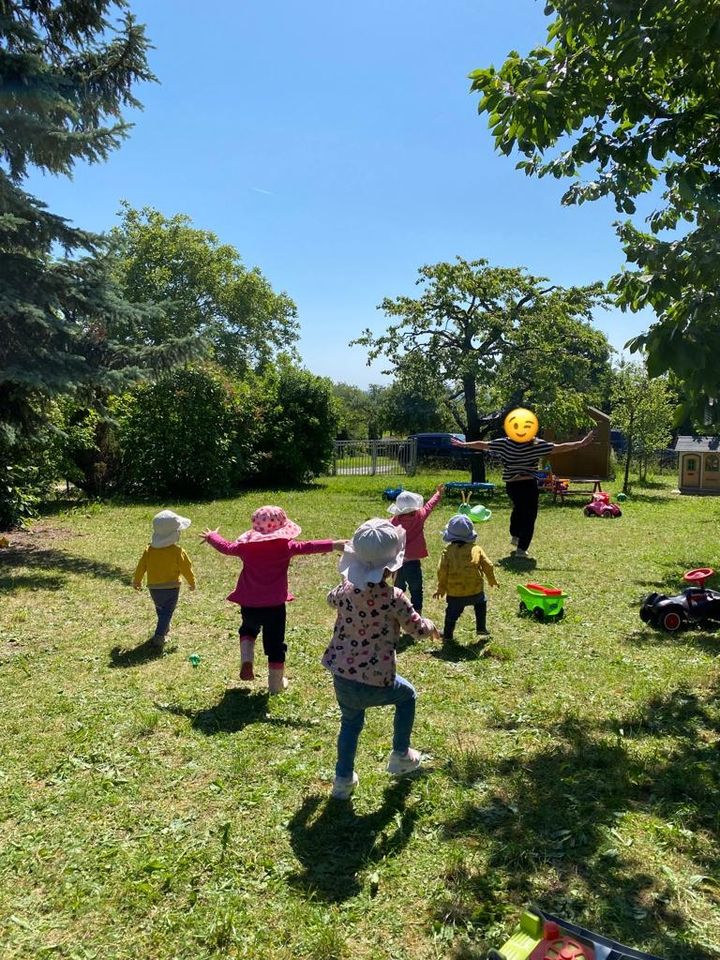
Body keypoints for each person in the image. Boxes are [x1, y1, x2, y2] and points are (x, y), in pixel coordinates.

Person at [323, 518, 440, 800]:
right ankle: (401, 754)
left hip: (342, 676)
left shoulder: (345, 591)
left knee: (350, 723)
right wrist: (431, 626)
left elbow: (330, 599)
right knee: (407, 696)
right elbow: (416, 628)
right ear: (392, 566)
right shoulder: (394, 597)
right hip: (377, 679)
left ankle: (342, 780)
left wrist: (346, 581)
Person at [200, 506, 345, 694]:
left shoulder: (246, 547)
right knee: (275, 644)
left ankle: (247, 660)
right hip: (274, 605)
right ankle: (275, 685)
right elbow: (308, 546)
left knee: (248, 629)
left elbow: (226, 547)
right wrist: (334, 544)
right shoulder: (286, 547)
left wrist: (212, 536)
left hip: (249, 603)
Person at [451, 425, 595, 559]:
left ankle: (516, 536)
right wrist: (580, 443)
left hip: (513, 486)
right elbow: (559, 448)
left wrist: (465, 444)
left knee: (519, 509)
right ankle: (521, 548)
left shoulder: (506, 443)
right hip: (527, 484)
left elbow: (484, 445)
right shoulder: (534, 444)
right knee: (529, 515)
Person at [133, 510, 196, 653]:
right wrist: (192, 582)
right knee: (167, 611)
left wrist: (137, 580)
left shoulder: (149, 550)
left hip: (154, 587)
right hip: (171, 587)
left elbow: (141, 566)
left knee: (161, 609)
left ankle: (165, 627)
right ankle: (159, 636)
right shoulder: (177, 551)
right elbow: (186, 568)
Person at [433, 514, 498, 641]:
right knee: (481, 604)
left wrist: (441, 588)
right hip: (476, 590)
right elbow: (488, 565)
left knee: (451, 613)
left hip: (455, 592)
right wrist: (491, 579)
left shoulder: (448, 551)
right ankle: (481, 628)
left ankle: (447, 635)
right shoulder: (476, 549)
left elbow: (442, 571)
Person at [387, 484, 444, 612]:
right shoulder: (419, 517)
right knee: (417, 590)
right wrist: (438, 493)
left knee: (397, 591)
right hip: (413, 563)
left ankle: (398, 613)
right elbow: (429, 506)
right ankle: (417, 614)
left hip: (397, 564)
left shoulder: (392, 522)